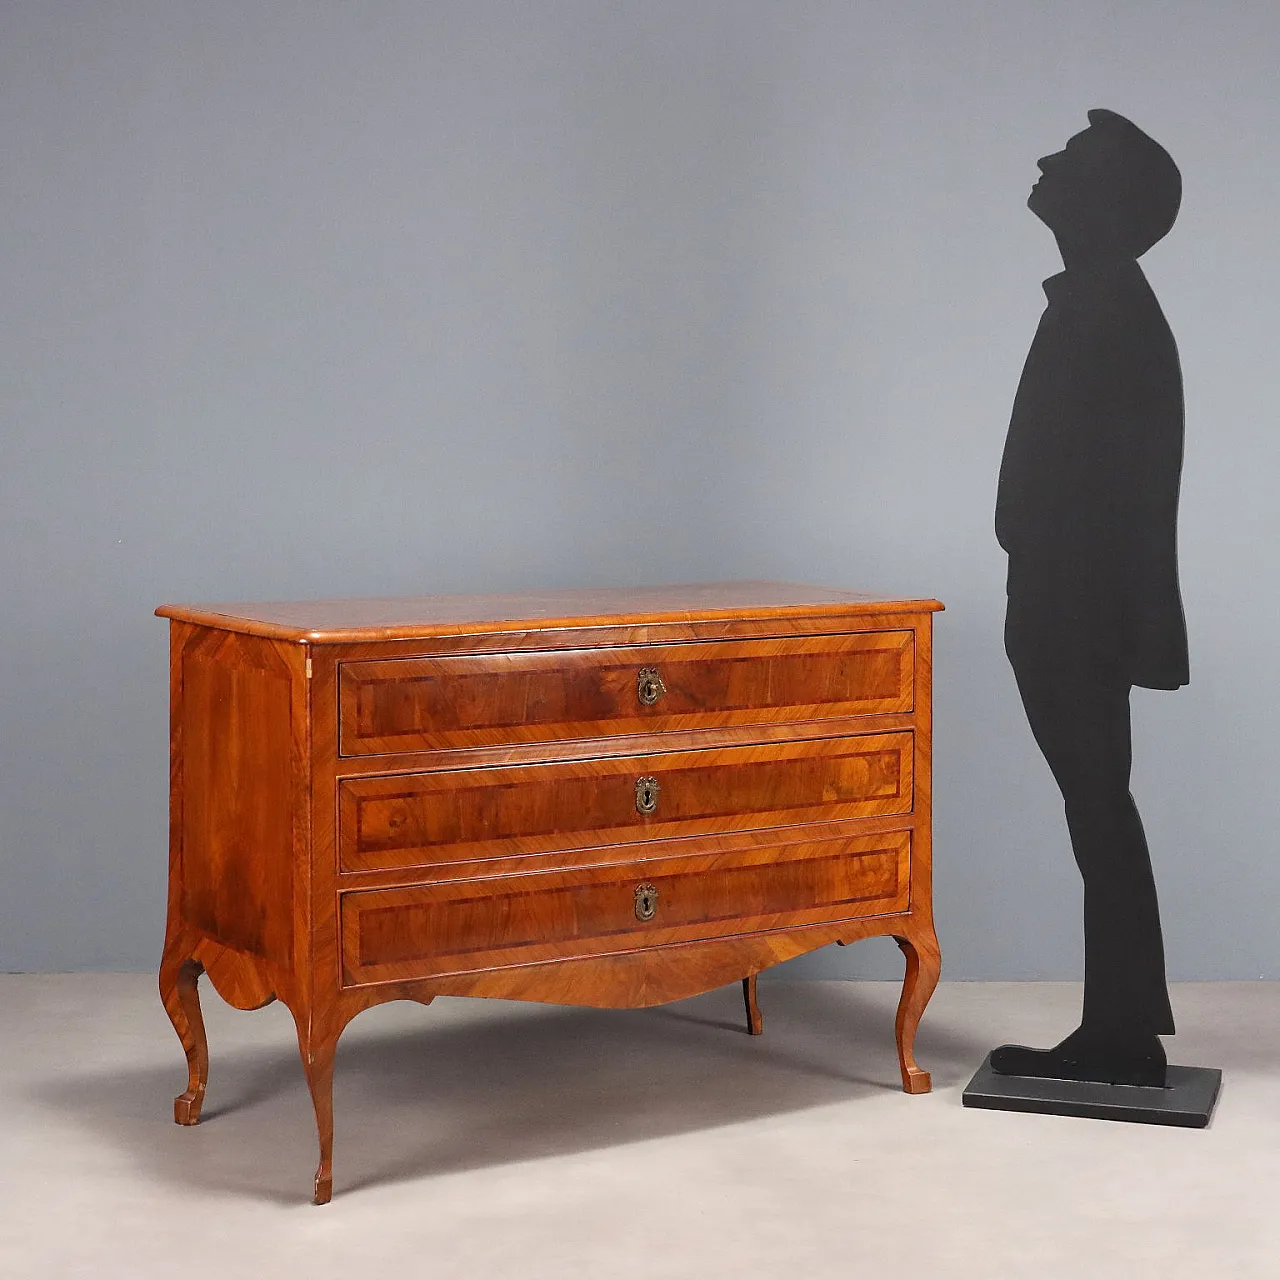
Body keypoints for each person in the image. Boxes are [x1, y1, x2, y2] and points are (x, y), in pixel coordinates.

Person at [992, 109, 1187, 1087]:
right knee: (1097, 808)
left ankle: (1119, 1031)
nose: (1041, 161)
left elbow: (1121, 487)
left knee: (1096, 810)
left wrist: (1070, 601)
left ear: (1101, 202)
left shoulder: (1108, 312)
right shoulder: (1097, 304)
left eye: (1066, 159)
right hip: (1064, 603)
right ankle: (1121, 1022)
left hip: (1074, 610)